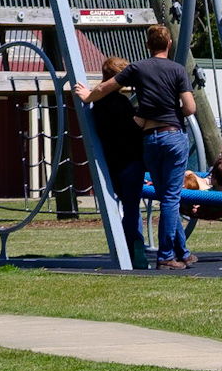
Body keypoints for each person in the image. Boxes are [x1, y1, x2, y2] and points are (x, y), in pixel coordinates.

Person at [76, 24, 197, 269]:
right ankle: (166, 255)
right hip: (171, 135)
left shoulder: (138, 68)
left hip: (149, 140)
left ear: (147, 45)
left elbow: (104, 88)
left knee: (164, 197)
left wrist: (87, 96)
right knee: (170, 199)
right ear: (169, 44)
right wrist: (173, 112)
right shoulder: (177, 70)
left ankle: (181, 251)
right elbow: (190, 108)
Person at [72, 55, 149, 269]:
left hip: (111, 163)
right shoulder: (122, 104)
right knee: (132, 208)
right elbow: (133, 130)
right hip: (130, 162)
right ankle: (134, 248)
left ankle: (129, 246)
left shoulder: (98, 105)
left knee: (126, 206)